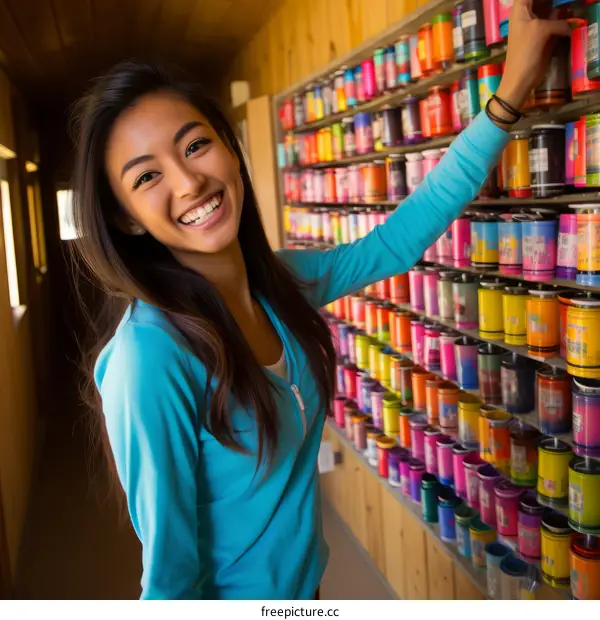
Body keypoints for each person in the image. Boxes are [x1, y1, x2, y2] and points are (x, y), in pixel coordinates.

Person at [71, 0, 569, 600]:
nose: (188, 182)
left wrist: (510, 91)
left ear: (230, 149)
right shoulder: (148, 360)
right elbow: (170, 578)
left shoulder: (279, 284)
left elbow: (396, 242)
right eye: (146, 177)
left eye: (195, 145)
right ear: (125, 219)